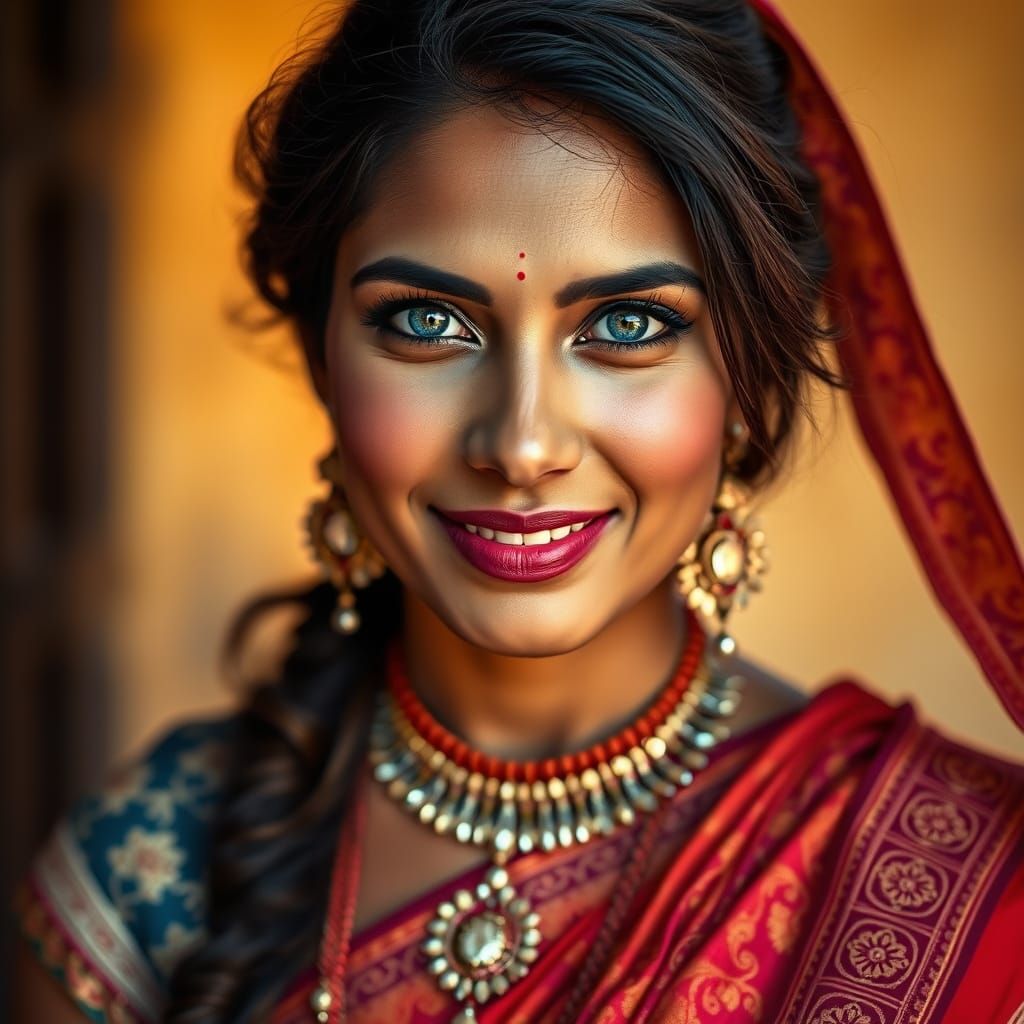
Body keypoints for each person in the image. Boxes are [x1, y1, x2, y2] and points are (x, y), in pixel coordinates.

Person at [13, 0, 1024, 1021]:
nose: (523, 442)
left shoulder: (970, 887)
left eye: (627, 324)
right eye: (427, 322)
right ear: (324, 359)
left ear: (750, 379)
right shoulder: (154, 866)